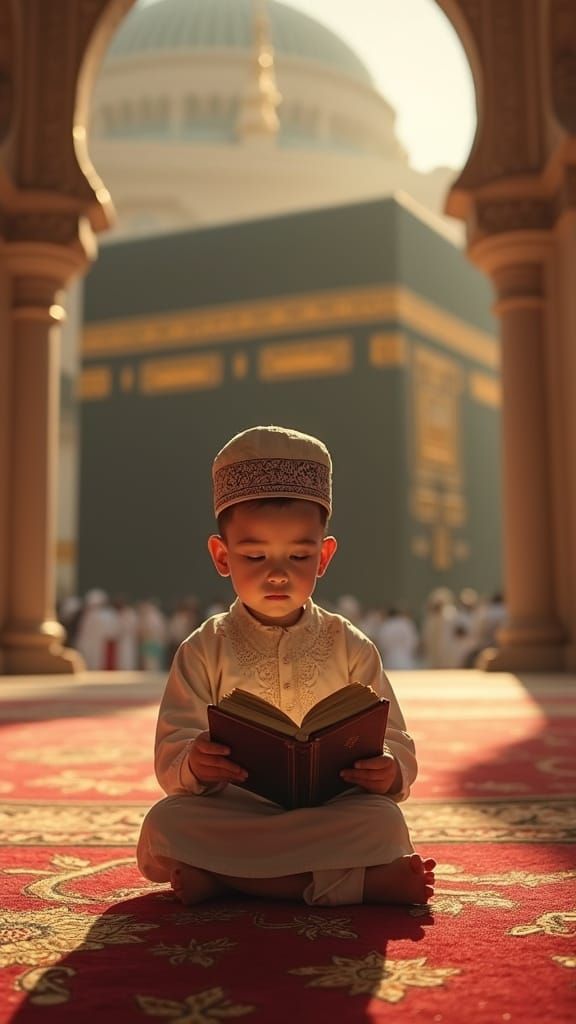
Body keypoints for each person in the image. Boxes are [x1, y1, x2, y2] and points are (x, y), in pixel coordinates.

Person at [137, 425, 435, 908]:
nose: (278, 572)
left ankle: (229, 881)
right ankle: (355, 885)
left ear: (325, 556)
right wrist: (195, 761)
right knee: (164, 826)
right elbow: (172, 752)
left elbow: (395, 738)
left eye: (299, 555)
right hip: (237, 810)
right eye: (255, 555)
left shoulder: (351, 645)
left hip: (332, 809)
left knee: (383, 820)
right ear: (221, 556)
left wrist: (390, 771)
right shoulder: (202, 648)